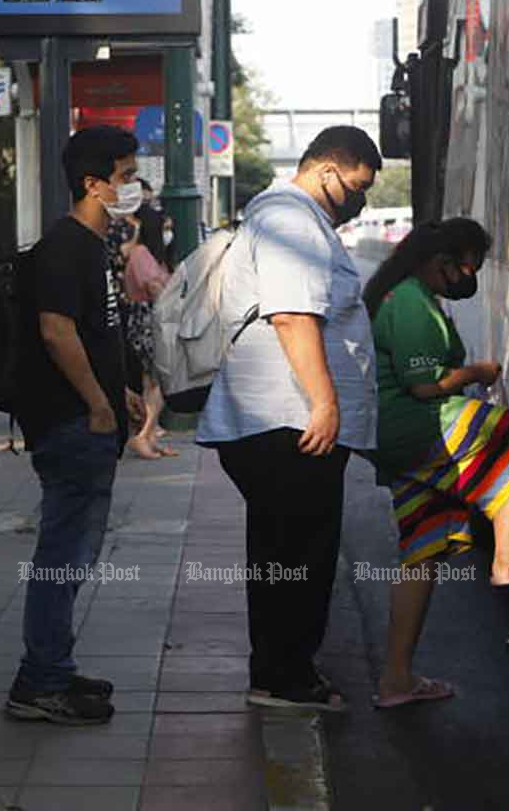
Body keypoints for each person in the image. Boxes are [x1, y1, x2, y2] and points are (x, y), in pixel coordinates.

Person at [197, 125, 383, 712]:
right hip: (289, 421)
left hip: (281, 422)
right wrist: (324, 403)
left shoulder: (291, 217)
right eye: (357, 185)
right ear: (328, 169)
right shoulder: (291, 218)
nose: (360, 200)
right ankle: (287, 676)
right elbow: (293, 317)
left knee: (282, 551)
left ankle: (278, 671)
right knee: (300, 552)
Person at [364, 219, 509, 707]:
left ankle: (396, 679)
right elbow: (425, 386)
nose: (471, 277)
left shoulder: (408, 296)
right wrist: (477, 372)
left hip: (398, 436)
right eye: (468, 267)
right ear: (441, 263)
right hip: (415, 424)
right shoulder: (410, 302)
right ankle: (507, 555)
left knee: (422, 549)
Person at [8, 126, 146, 726]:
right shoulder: (66, 247)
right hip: (70, 426)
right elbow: (55, 330)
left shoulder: (93, 247)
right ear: (93, 183)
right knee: (62, 555)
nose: (134, 186)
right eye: (125, 175)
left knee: (74, 554)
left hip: (87, 419)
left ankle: (51, 671)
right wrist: (96, 404)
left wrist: (120, 392)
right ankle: (40, 683)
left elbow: (91, 331)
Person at [121, 205, 177, 459]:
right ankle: (144, 435)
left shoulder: (151, 255)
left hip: (149, 320)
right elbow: (155, 288)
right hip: (147, 321)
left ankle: (149, 436)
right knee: (156, 381)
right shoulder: (141, 253)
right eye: (165, 228)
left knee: (152, 381)